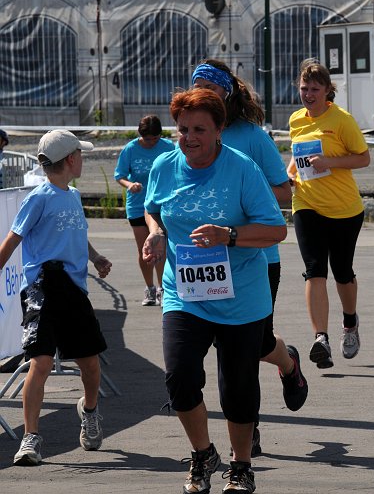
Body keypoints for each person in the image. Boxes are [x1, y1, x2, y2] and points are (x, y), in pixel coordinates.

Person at [143, 88, 287, 494]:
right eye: (183, 129)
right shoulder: (165, 165)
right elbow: (153, 208)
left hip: (240, 296)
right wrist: (156, 234)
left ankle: (241, 466)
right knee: (180, 378)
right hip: (184, 293)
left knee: (237, 389)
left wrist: (230, 234)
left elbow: (276, 229)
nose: (189, 138)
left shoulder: (242, 169)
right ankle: (203, 454)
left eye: (199, 130)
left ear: (219, 129)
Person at [191, 59, 308, 455]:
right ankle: (248, 426)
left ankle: (287, 364)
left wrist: (245, 188)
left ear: (226, 93)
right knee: (224, 347)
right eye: (197, 87)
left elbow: (284, 193)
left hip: (257, 255)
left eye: (210, 88)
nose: (203, 95)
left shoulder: (252, 138)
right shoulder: (192, 135)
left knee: (250, 346)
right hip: (203, 260)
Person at [0, 129, 112, 466]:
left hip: (74, 291)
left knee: (90, 365)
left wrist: (95, 258)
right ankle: (30, 438)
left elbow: (78, 235)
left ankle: (89, 410)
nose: (83, 159)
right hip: (42, 289)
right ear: (71, 159)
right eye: (81, 154)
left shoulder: (74, 196)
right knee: (41, 361)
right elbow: (12, 240)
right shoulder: (39, 198)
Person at [287, 59, 370, 369]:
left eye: (314, 89)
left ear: (327, 90)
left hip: (345, 210)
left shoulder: (342, 120)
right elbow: (296, 156)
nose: (308, 94)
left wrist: (330, 162)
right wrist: (290, 174)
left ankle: (349, 324)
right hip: (307, 204)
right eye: (304, 88)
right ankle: (320, 338)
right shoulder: (296, 119)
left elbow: (363, 158)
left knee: (342, 272)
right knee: (314, 269)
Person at [114, 115, 174, 306]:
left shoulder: (169, 147)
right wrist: (130, 184)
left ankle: (163, 288)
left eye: (155, 138)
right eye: (148, 139)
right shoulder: (131, 149)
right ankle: (150, 288)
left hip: (160, 205)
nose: (152, 143)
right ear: (141, 136)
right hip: (138, 205)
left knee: (161, 248)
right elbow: (119, 175)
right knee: (144, 250)